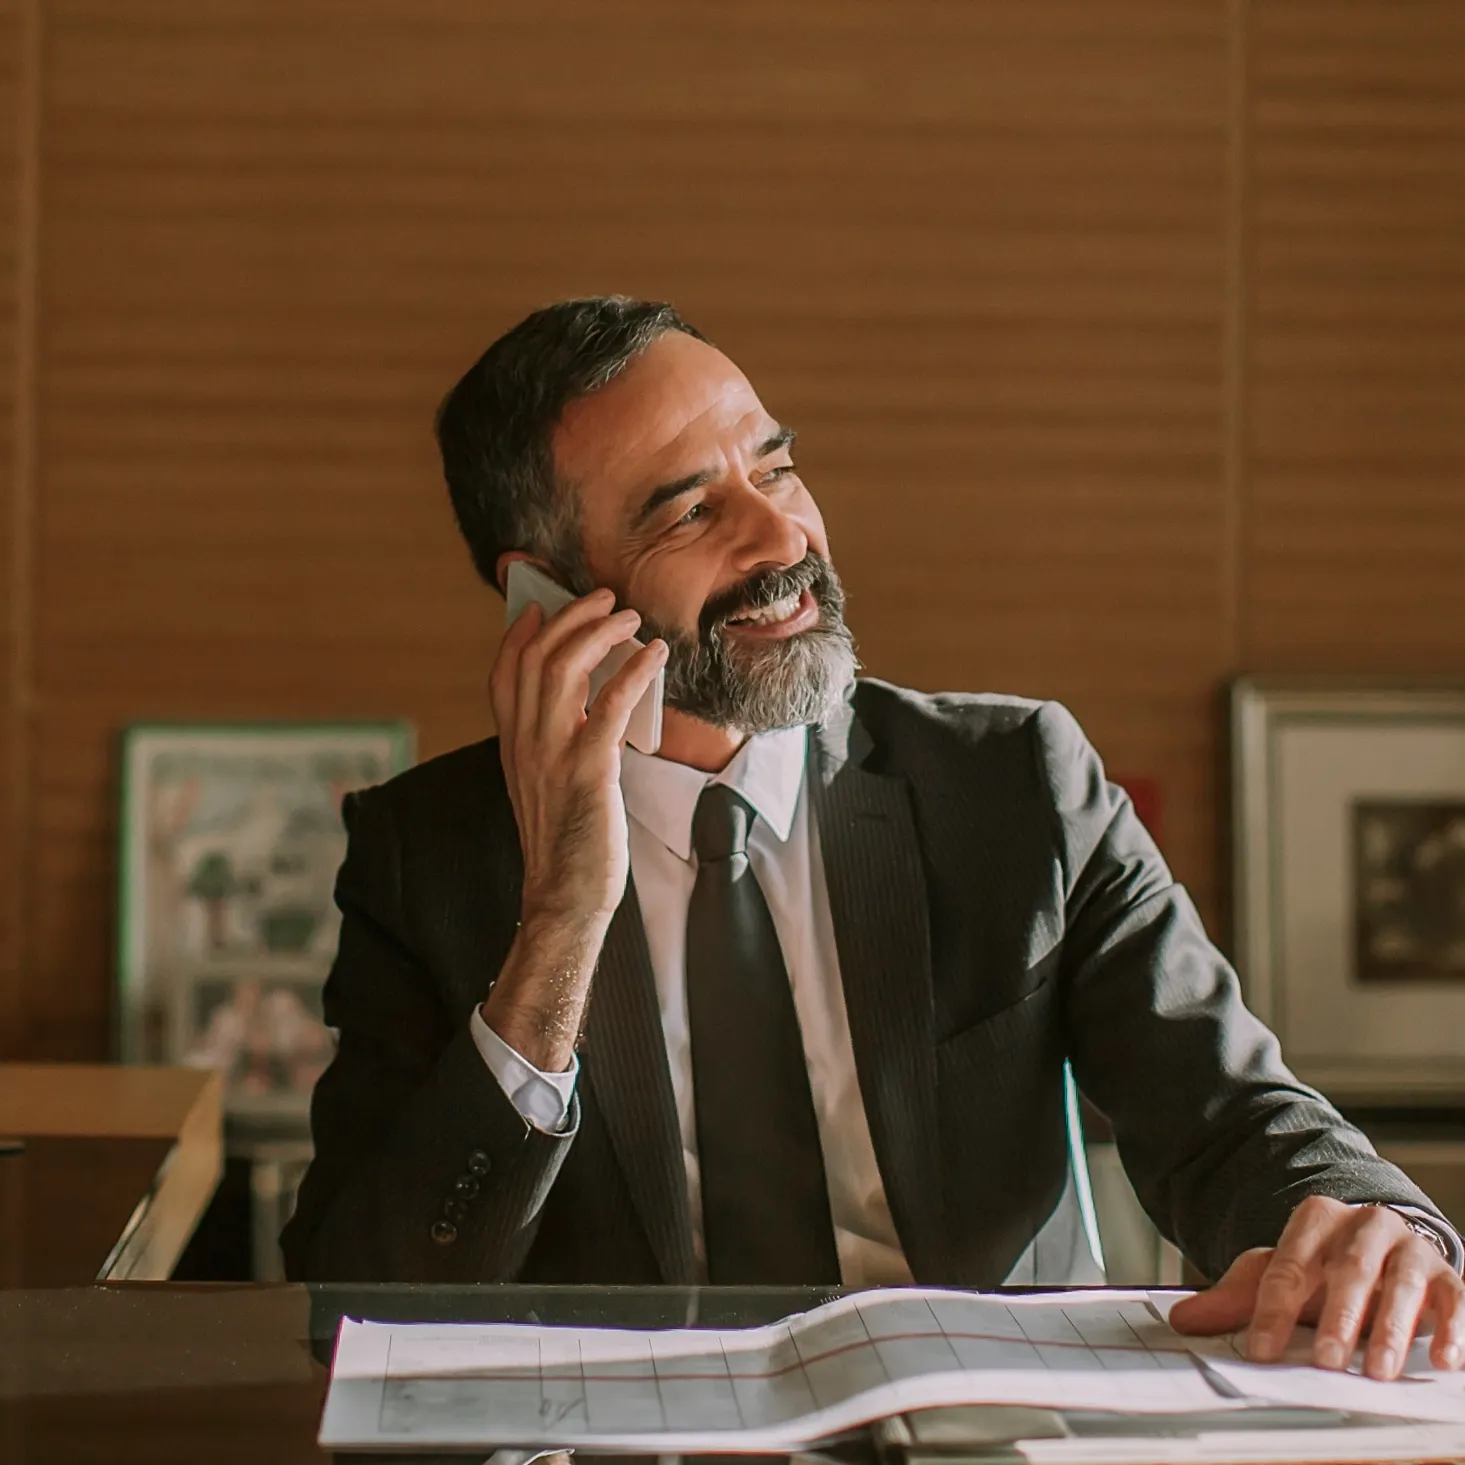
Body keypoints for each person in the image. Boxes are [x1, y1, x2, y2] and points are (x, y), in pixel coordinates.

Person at [282, 296, 1464, 1381]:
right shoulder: (424, 858)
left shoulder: (1013, 786)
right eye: (691, 508)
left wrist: (1374, 1225)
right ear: (545, 595)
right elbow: (366, 1298)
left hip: (993, 1436)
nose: (781, 535)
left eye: (778, 466)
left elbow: (1235, 1122)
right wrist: (560, 922)